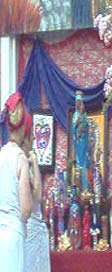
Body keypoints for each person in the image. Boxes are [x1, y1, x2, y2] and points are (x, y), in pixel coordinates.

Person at [0, 91, 33, 272]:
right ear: (24, 128)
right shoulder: (20, 158)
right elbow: (26, 209)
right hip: (13, 233)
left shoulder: (1, 155)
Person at [22, 112, 51, 272]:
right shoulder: (24, 163)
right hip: (30, 230)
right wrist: (34, 164)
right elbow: (37, 195)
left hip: (34, 228)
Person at [72, 90, 89, 192]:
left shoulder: (85, 115)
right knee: (78, 162)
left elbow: (86, 128)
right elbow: (73, 129)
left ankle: (85, 187)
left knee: (83, 163)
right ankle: (77, 188)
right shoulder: (75, 115)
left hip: (84, 141)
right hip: (77, 141)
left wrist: (83, 121)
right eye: (77, 103)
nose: (79, 105)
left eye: (80, 102)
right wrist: (76, 124)